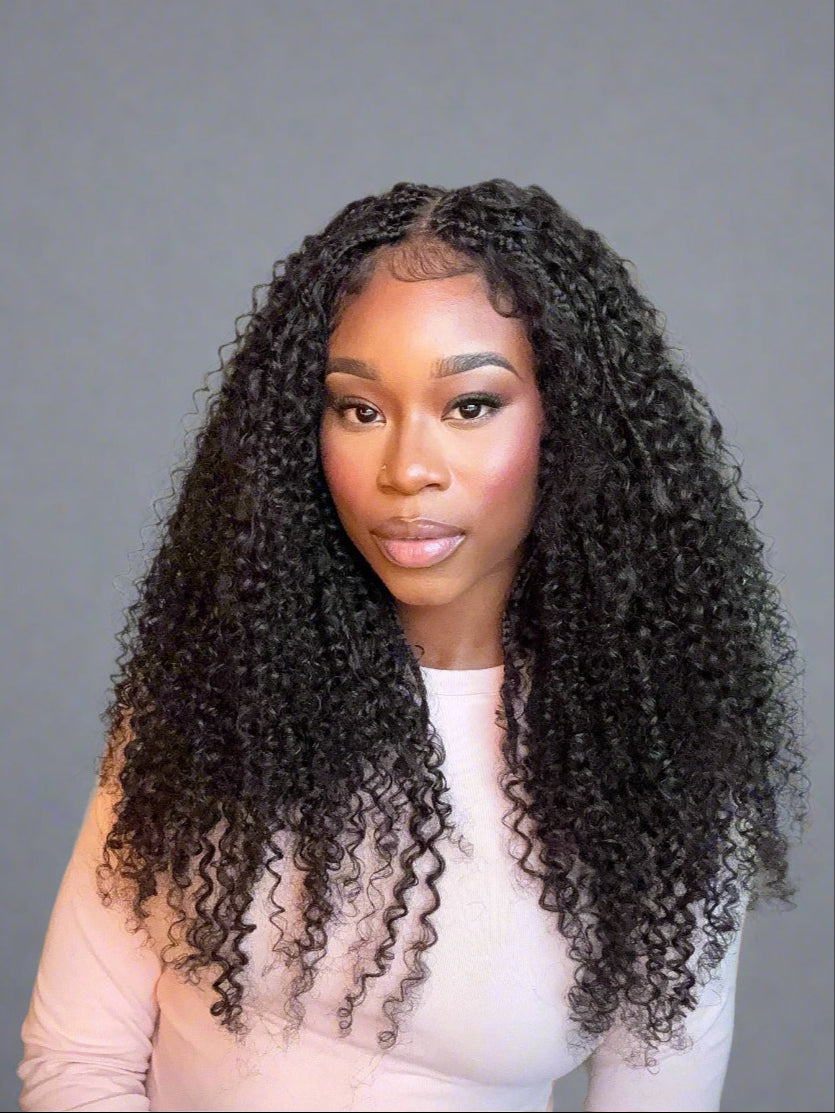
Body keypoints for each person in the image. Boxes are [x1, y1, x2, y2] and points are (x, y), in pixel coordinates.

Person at [18, 179, 807, 1112]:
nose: (406, 470)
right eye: (360, 410)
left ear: (571, 425)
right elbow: (77, 1064)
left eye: (469, 405)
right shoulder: (212, 698)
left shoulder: (664, 765)